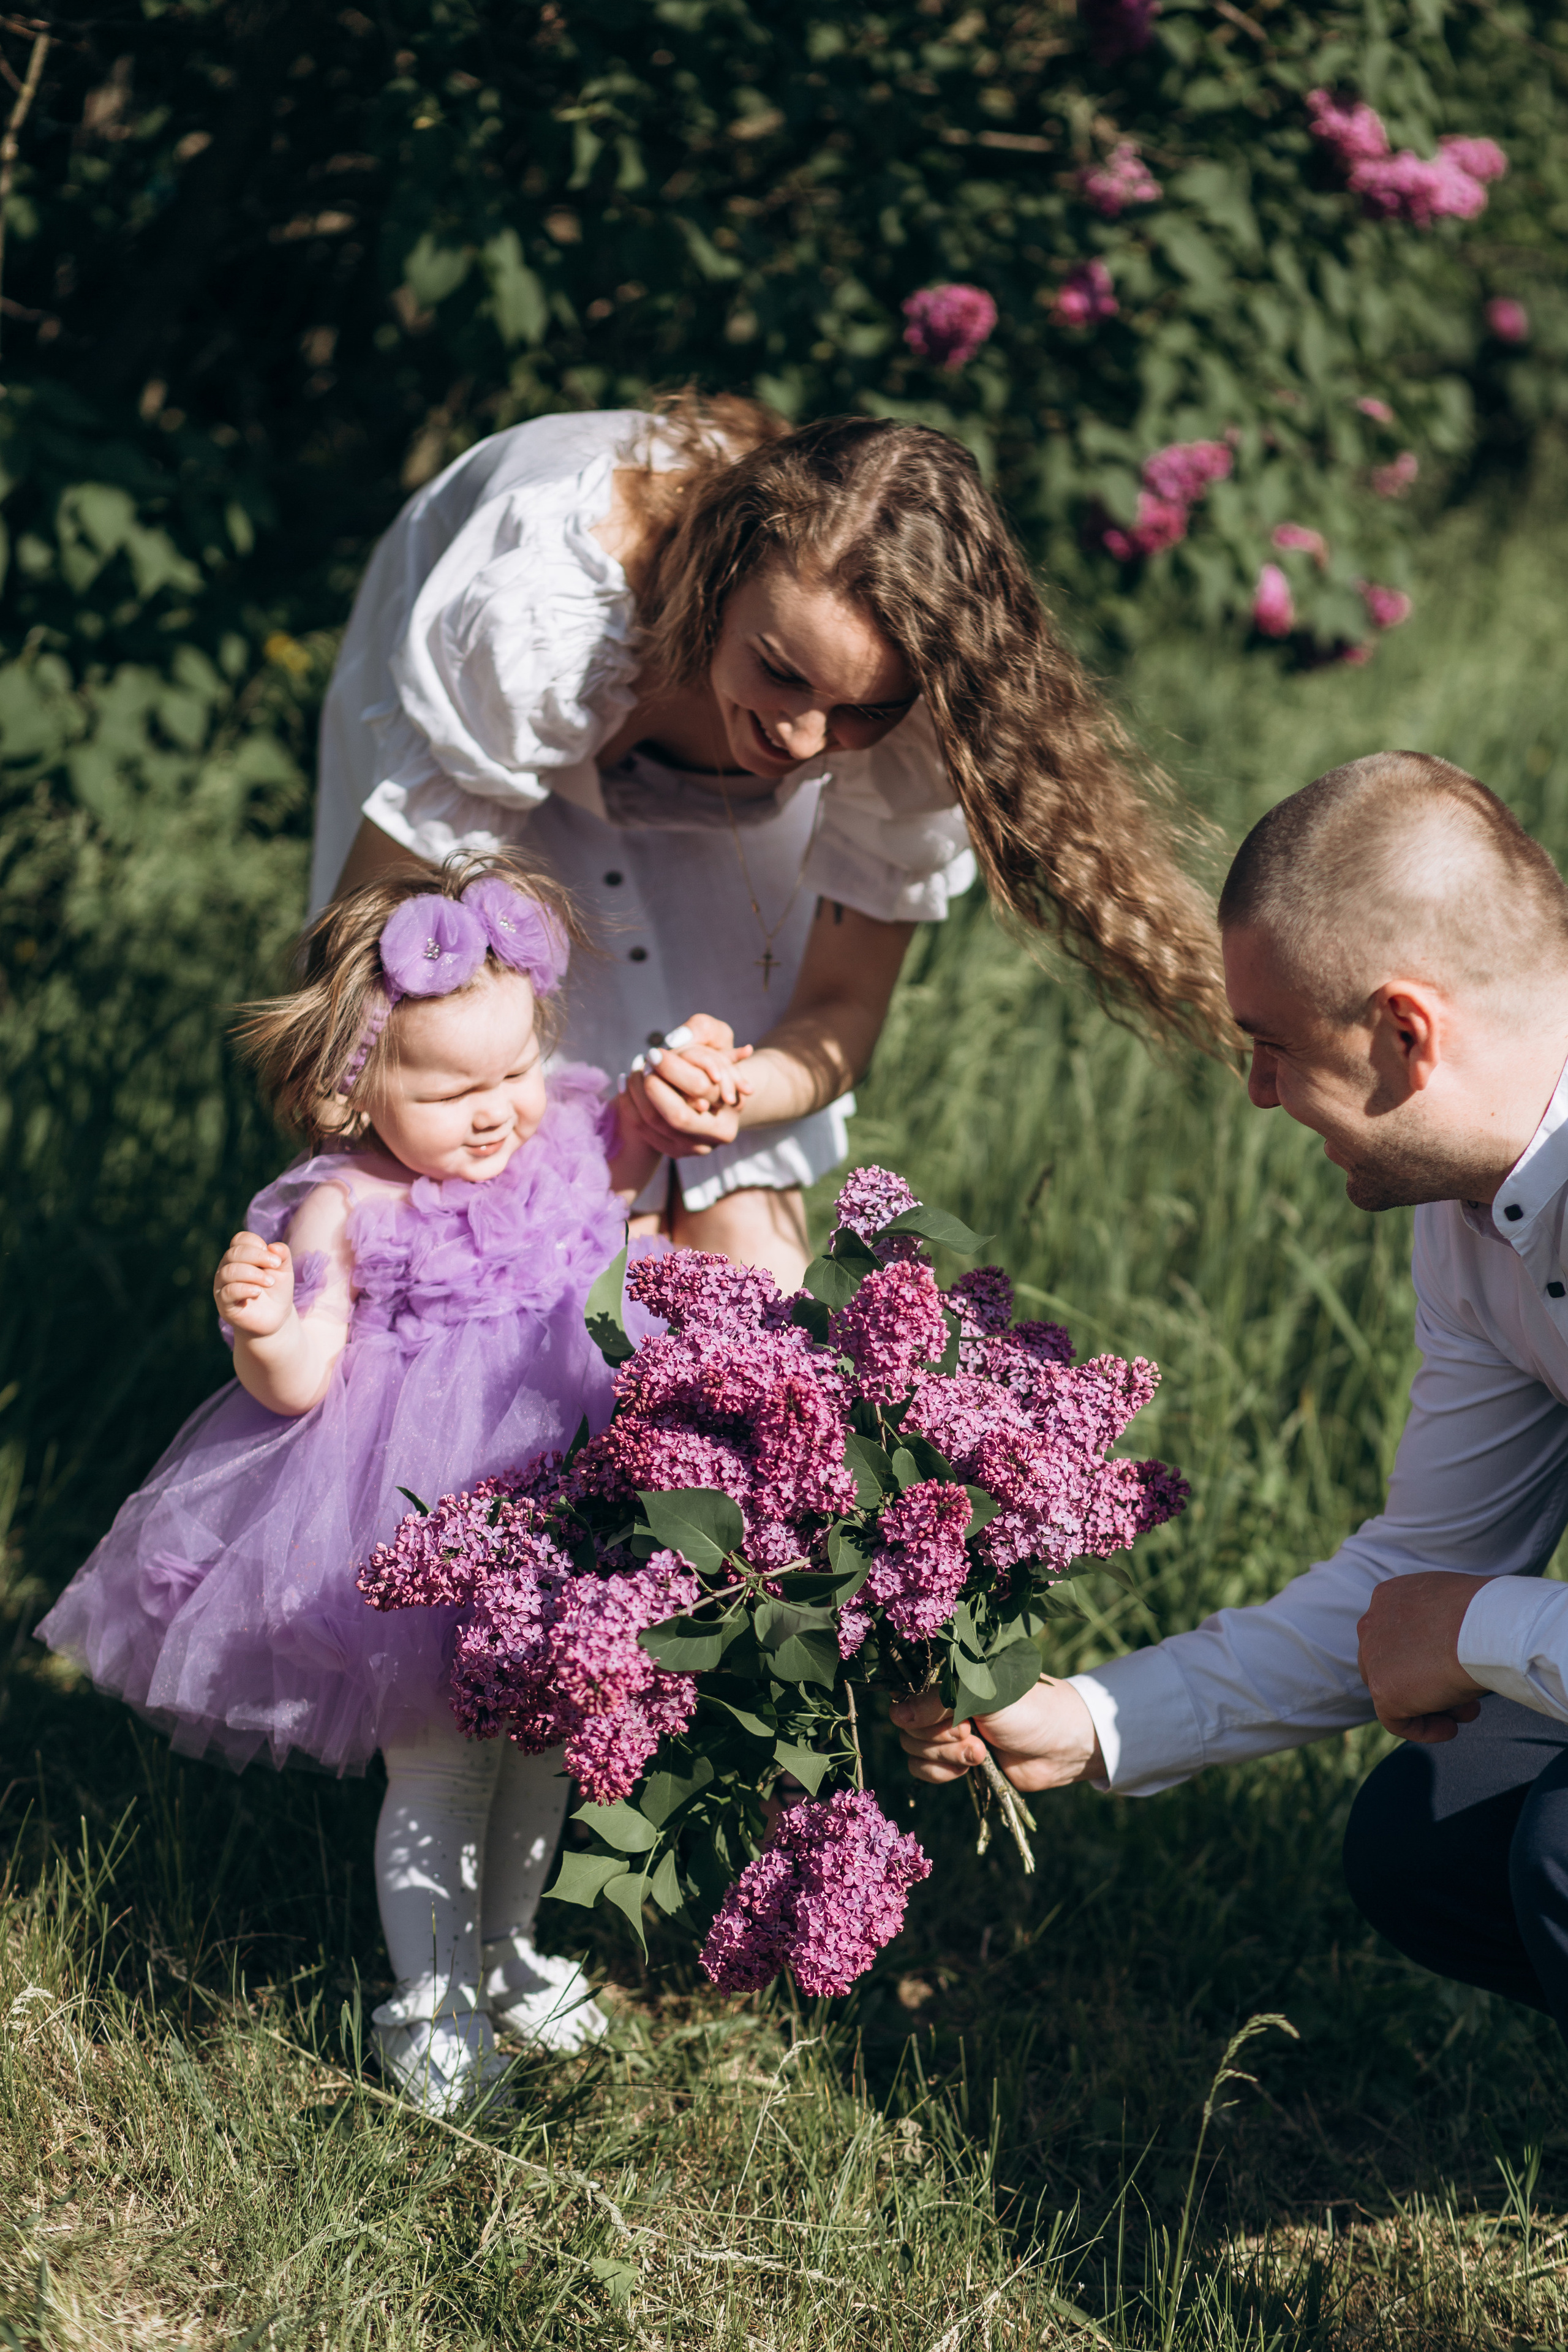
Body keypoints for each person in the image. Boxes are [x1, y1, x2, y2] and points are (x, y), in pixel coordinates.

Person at [895, 750, 1568, 2040]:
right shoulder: (1476, 1213)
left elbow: (1450, 1609)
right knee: (1427, 1835)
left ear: (1402, 1033)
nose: (1256, 1095)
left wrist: (1479, 1626)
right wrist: (1087, 1720)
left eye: (1272, 1048)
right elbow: (1428, 1563)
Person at [312, 395, 1229, 1287]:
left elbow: (839, 1007)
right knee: (510, 1177)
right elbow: (373, 985)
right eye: (782, 673)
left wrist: (728, 1097)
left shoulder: (904, 708)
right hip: (492, 720)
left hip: (705, 684)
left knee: (742, 1235)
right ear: (722, 582)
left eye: (861, 709)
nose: (798, 738)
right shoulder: (541, 611)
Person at [36, 853, 667, 2114]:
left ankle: (507, 1953)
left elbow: (616, 1217)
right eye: (450, 1090)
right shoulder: (341, 1208)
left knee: (542, 1745)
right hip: (409, 1512)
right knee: (440, 1764)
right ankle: (427, 2011)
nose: (494, 1110)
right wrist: (266, 1327)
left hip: (561, 1492)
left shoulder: (550, 1143)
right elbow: (301, 1380)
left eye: (511, 1072)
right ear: (349, 1085)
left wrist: (653, 1126)